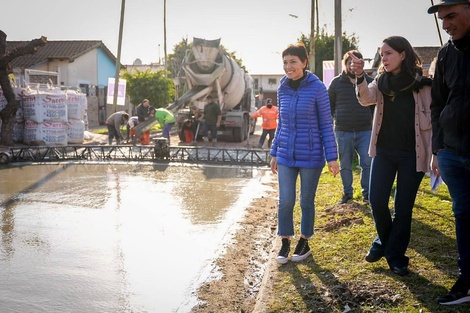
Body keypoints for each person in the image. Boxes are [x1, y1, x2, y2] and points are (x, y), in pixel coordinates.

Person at [349, 36, 434, 276]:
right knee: (376, 201)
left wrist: (436, 152)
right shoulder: (380, 81)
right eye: (382, 54)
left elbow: (434, 119)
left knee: (403, 208)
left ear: (403, 54)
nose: (384, 58)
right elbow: (366, 99)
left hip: (412, 154)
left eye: (389, 54)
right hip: (384, 152)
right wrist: (359, 77)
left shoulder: (423, 84)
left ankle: (395, 256)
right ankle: (383, 243)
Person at [270, 43, 339, 264]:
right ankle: (285, 241)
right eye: (285, 62)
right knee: (285, 200)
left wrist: (332, 157)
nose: (288, 67)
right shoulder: (282, 88)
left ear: (304, 62)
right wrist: (274, 152)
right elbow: (281, 124)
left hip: (311, 155)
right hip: (285, 154)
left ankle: (304, 240)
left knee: (306, 201)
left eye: (293, 62)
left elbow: (326, 125)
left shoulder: (318, 87)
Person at [427, 0, 470, 305]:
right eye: (443, 19)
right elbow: (437, 104)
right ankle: (466, 281)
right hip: (452, 154)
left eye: (451, 16)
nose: (446, 25)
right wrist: (438, 149)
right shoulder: (445, 54)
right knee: (464, 217)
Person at [328, 50, 374, 204]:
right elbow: (329, 106)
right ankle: (348, 194)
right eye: (349, 62)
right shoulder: (336, 83)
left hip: (365, 130)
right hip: (343, 131)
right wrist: (337, 121)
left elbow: (375, 106)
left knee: (367, 163)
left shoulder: (369, 81)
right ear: (345, 64)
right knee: (345, 164)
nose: (352, 65)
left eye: (355, 63)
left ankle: (367, 194)